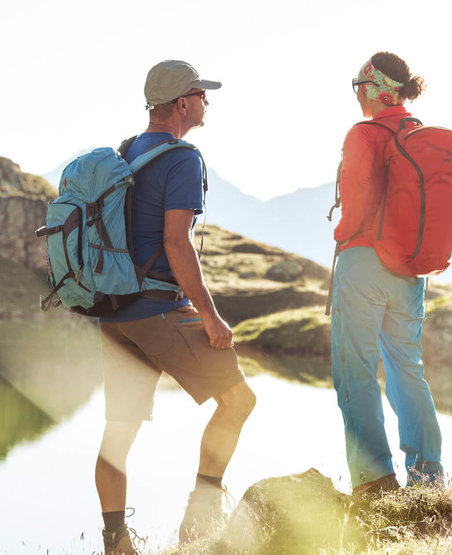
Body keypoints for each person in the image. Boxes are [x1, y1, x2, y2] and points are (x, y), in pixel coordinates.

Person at [95, 60, 256, 554]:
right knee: (238, 400)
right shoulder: (182, 157)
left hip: (113, 313)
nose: (208, 102)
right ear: (183, 103)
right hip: (158, 309)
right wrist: (209, 315)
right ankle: (199, 517)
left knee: (117, 431)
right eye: (202, 94)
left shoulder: (125, 152)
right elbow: (176, 242)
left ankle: (115, 540)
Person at [331, 52, 452, 496]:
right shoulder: (426, 139)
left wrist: (343, 232)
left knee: (355, 370)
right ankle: (428, 475)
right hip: (409, 271)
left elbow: (357, 197)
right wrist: (435, 234)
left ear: (377, 88)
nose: (357, 95)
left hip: (363, 262)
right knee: (407, 368)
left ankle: (374, 480)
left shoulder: (364, 133)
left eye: (358, 86)